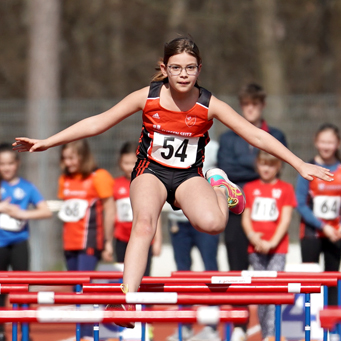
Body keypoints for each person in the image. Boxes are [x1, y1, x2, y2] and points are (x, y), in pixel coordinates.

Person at [13, 36, 333, 330]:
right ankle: (126, 298)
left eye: (190, 68)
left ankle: (220, 185)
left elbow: (254, 134)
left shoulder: (209, 104)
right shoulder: (148, 97)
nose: (183, 75)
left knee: (214, 223)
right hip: (150, 171)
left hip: (188, 176)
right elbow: (98, 122)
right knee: (145, 223)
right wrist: (48, 142)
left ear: (199, 69)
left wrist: (298, 162)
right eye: (176, 68)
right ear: (164, 68)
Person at [217, 83, 288, 341]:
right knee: (236, 267)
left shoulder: (277, 135)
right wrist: (259, 167)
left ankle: (269, 329)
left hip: (268, 213)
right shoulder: (227, 138)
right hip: (236, 210)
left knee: (269, 273)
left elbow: (279, 166)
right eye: (245, 104)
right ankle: (239, 322)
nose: (250, 109)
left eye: (254, 104)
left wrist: (253, 170)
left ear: (262, 105)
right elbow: (227, 170)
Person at [57, 140, 115, 339]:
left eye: (72, 158)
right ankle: (81, 332)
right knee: (75, 290)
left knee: (84, 287)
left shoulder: (99, 176)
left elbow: (109, 210)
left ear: (83, 156)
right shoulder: (65, 178)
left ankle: (89, 334)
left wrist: (108, 241)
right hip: (69, 242)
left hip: (89, 241)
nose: (68, 162)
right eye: (65, 158)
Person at [167, 139, 220, 341]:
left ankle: (211, 326)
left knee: (210, 269)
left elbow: (220, 178)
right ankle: (185, 325)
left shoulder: (214, 148)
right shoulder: (170, 139)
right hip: (178, 221)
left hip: (204, 219)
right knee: (182, 273)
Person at [242, 150, 296, 341]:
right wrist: (253, 237)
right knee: (262, 293)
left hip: (277, 250)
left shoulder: (286, 189)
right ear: (257, 165)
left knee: (274, 291)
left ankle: (272, 334)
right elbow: (246, 217)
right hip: (255, 248)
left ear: (279, 167)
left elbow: (286, 218)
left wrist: (272, 242)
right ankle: (266, 333)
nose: (267, 168)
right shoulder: (249, 188)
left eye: (271, 164)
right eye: (263, 164)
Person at [0, 142, 52, 341]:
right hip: (0, 245)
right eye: (2, 164)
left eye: (9, 163)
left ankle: (26, 332)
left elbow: (45, 211)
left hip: (20, 243)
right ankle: (1, 333)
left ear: (17, 163)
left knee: (22, 289)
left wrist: (22, 213)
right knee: (1, 290)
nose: (6, 168)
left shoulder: (27, 187)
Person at [296, 123, 341, 306]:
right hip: (311, 233)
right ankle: (311, 327)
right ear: (316, 142)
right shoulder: (307, 169)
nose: (326, 146)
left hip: (336, 234)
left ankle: (332, 329)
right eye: (323, 141)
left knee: (332, 280)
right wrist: (323, 227)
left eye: (330, 142)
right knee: (310, 281)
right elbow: (300, 204)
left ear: (337, 143)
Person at [113, 141, 162, 276]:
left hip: (144, 238)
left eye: (132, 162)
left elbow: (155, 214)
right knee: (123, 274)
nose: (129, 167)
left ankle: (143, 297)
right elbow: (111, 213)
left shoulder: (148, 183)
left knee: (144, 275)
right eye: (126, 163)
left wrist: (157, 240)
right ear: (120, 163)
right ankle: (127, 296)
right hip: (122, 238)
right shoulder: (115, 184)